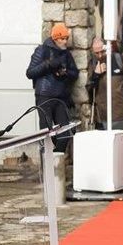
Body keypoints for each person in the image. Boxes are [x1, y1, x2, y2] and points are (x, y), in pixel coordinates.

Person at [85, 34, 123, 186]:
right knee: (106, 150)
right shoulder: (93, 63)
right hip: (103, 114)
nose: (100, 55)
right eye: (96, 52)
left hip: (122, 112)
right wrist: (96, 75)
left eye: (102, 52)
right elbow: (89, 88)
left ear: (108, 48)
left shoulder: (120, 60)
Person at [26, 23, 78, 153]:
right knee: (46, 135)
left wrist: (65, 73)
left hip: (61, 98)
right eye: (62, 38)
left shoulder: (66, 53)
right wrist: (49, 64)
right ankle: (48, 165)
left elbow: (74, 73)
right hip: (45, 96)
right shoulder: (42, 50)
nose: (65, 41)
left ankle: (55, 160)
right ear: (55, 38)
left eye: (66, 38)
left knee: (65, 133)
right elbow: (30, 73)